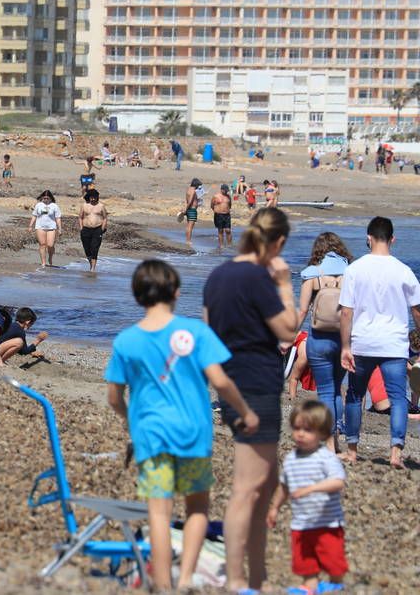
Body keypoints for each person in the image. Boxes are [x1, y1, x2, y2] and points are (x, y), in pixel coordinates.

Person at [107, 260, 258, 591]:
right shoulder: (196, 332)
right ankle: (186, 578)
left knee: (159, 513)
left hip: (150, 434)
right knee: (197, 506)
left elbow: (115, 397)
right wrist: (245, 412)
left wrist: (129, 420)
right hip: (193, 432)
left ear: (136, 295)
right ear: (176, 292)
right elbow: (220, 380)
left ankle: (162, 584)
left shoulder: (126, 341)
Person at [203, 207, 300, 592]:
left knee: (267, 481)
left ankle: (256, 576)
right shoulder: (260, 277)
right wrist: (285, 283)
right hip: (255, 385)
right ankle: (238, 579)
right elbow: (289, 331)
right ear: (276, 243)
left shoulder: (218, 275)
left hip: (230, 383)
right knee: (248, 487)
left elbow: (208, 331)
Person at [339, 216, 420, 469]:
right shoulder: (404, 271)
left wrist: (345, 346)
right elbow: (417, 310)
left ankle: (352, 450)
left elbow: (346, 312)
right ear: (393, 239)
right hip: (394, 345)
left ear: (368, 238)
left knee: (354, 395)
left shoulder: (355, 269)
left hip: (362, 342)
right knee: (398, 398)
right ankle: (395, 453)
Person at [267, 401, 348, 593]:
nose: (301, 434)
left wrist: (310, 489)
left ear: (322, 433)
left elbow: (338, 482)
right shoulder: (291, 459)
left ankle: (336, 585)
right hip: (302, 523)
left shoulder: (326, 457)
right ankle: (309, 588)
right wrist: (274, 508)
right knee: (306, 563)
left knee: (333, 561)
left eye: (308, 430)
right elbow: (284, 487)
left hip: (328, 523)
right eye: (297, 428)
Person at [296, 233, 353, 453]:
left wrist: (289, 335)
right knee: (338, 389)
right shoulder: (351, 273)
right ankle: (337, 430)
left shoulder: (312, 274)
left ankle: (329, 441)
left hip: (318, 338)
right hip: (343, 337)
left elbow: (302, 310)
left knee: (326, 391)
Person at [29, 190, 62, 267]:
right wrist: (30, 225)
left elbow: (58, 218)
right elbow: (34, 215)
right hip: (40, 227)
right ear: (42, 198)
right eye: (44, 198)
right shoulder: (38, 205)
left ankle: (50, 257)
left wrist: (60, 228)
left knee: (50, 245)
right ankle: (43, 262)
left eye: (47, 198)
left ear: (51, 198)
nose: (46, 200)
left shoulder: (54, 206)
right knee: (42, 244)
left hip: (51, 228)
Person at [79, 189, 107, 272]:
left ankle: (93, 269)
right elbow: (80, 217)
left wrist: (102, 229)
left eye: (95, 197)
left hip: (97, 229)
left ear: (97, 197)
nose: (93, 199)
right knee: (87, 249)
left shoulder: (101, 206)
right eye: (91, 197)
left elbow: (105, 218)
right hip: (86, 229)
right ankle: (91, 263)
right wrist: (81, 227)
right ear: (89, 197)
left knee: (94, 248)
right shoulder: (84, 205)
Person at [211, 183, 233, 248]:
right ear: (221, 190)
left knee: (228, 230)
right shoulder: (216, 196)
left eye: (227, 190)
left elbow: (230, 205)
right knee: (220, 230)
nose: (226, 192)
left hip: (227, 215)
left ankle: (229, 245)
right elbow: (212, 205)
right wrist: (216, 211)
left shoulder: (228, 196)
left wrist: (226, 210)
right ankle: (221, 245)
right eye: (225, 190)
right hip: (218, 215)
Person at [181, 178, 201, 245]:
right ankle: (188, 241)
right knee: (190, 226)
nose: (199, 187)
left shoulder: (188, 189)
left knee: (188, 225)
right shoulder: (193, 191)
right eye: (198, 185)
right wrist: (185, 209)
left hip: (189, 209)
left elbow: (187, 200)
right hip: (192, 209)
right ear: (196, 184)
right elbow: (190, 201)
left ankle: (187, 240)